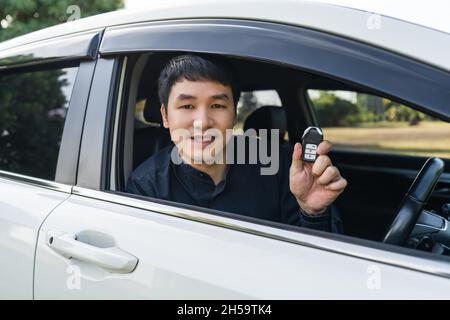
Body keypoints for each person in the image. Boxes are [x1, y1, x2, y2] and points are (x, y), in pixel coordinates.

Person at [127, 54, 347, 232]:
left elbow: (318, 267)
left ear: (234, 114)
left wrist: (312, 212)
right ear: (165, 116)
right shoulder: (146, 186)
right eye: (187, 107)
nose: (203, 123)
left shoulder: (283, 167)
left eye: (217, 106)